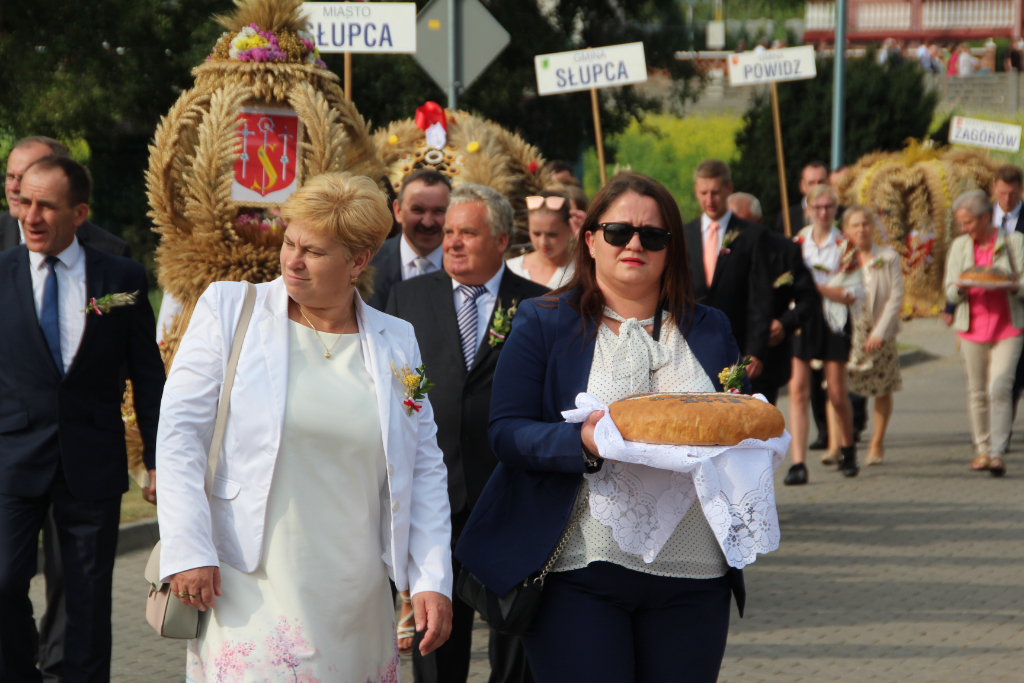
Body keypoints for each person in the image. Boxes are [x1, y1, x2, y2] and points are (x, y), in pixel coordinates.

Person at [156, 172, 454, 681]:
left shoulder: (397, 341)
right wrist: (188, 548)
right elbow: (180, 433)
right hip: (246, 580)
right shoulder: (229, 310)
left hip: (356, 593)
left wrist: (432, 578)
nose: (293, 260)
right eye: (290, 242)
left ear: (358, 261)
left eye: (314, 252)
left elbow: (424, 463)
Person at [456, 172, 750, 683]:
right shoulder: (544, 320)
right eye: (618, 232)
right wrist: (582, 442)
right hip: (581, 568)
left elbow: (727, 422)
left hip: (696, 573)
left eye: (653, 235)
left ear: (670, 248)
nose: (635, 244)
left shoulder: (710, 327)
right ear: (590, 240)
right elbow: (506, 431)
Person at [0, 155, 164, 682]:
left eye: (47, 205)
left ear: (79, 212)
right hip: (13, 460)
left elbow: (149, 376)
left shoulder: (122, 280)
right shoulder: (1, 274)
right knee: (3, 582)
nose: (31, 216)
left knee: (89, 603)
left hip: (91, 461)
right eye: (25, 202)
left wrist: (159, 462)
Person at [386, 183, 547, 683]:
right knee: (436, 649)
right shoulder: (407, 298)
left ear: (501, 240)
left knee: (515, 648)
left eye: (467, 233)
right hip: (437, 504)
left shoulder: (540, 306)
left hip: (510, 502)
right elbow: (398, 390)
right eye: (449, 232)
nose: (452, 242)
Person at [941, 189, 1024, 477]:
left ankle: (998, 453)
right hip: (971, 327)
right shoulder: (960, 246)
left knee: (1000, 387)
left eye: (969, 223)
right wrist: (961, 288)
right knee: (977, 392)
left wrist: (1014, 286)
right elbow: (950, 289)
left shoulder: (1015, 242)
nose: (964, 229)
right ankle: (982, 450)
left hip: (1008, 328)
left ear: (986, 217)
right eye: (961, 224)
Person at [785, 184, 859, 484]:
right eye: (818, 207)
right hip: (803, 317)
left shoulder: (845, 244)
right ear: (809, 209)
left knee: (837, 393)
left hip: (834, 317)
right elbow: (786, 278)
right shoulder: (797, 241)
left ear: (836, 210)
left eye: (829, 207)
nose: (823, 212)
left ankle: (848, 446)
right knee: (798, 389)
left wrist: (818, 289)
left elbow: (853, 292)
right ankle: (798, 463)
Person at [684, 159, 771, 381]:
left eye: (715, 192)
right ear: (696, 191)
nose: (709, 199)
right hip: (691, 344)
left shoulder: (752, 235)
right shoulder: (685, 235)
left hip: (738, 345)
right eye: (703, 193)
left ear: (729, 190)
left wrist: (756, 350)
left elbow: (760, 297)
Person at [729, 192, 820, 405]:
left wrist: (784, 324)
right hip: (727, 350)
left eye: (743, 222)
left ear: (758, 221)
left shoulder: (785, 249)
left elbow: (809, 298)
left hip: (768, 356)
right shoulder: (719, 250)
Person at [844, 206, 904, 466]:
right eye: (855, 225)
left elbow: (895, 298)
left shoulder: (888, 257)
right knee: (840, 388)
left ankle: (876, 441)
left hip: (880, 332)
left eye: (865, 224)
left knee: (882, 388)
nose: (861, 230)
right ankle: (839, 444)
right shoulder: (841, 260)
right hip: (849, 332)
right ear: (847, 230)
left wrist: (880, 332)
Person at [366, 168, 451, 310]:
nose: (427, 222)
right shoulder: (368, 265)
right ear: (398, 211)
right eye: (417, 210)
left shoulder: (468, 267)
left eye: (438, 211)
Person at [506, 192, 576, 289]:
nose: (543, 242)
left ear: (570, 227)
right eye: (536, 233)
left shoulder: (583, 271)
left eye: (552, 235)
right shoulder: (511, 270)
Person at [776, 161, 829, 235]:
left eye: (821, 182)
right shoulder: (787, 216)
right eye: (811, 183)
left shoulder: (841, 213)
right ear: (802, 186)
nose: (817, 186)